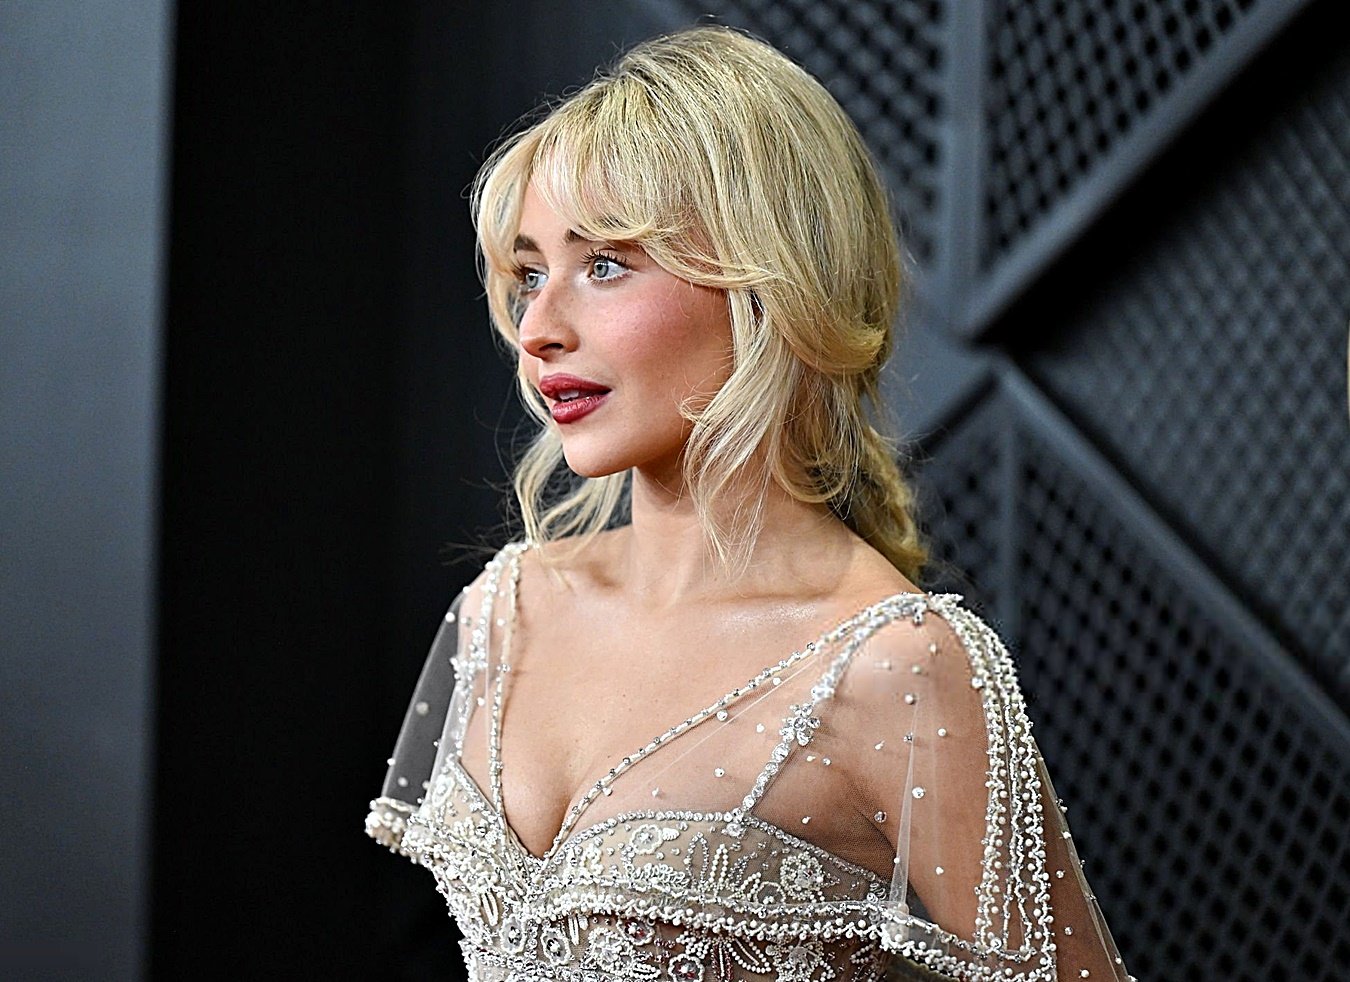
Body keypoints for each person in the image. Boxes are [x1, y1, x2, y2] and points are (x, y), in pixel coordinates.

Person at [366, 25, 1132, 982]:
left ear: (769, 282)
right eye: (530, 275)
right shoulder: (505, 610)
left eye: (605, 265)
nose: (540, 330)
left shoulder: (896, 667)